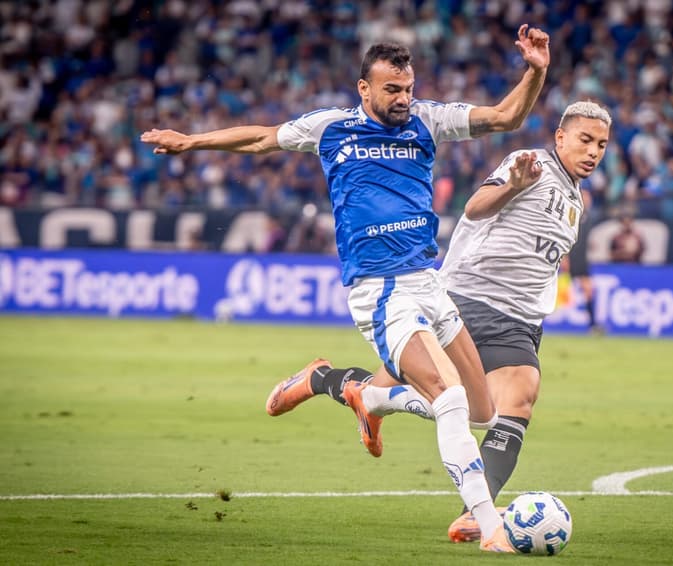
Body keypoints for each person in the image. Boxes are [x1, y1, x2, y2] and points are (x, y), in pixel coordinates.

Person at [142, 25, 550, 553]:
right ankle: (491, 529)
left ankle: (355, 389)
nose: (404, 99)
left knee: (481, 413)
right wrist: (193, 141)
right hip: (381, 290)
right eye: (392, 90)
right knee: (448, 400)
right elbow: (263, 137)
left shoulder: (428, 119)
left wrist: (535, 71)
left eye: (407, 88)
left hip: (429, 282)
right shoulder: (331, 128)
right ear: (364, 89)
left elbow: (504, 117)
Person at [266, 100, 612, 542]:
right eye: (585, 140)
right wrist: (513, 187)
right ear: (560, 137)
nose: (593, 151)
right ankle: (323, 379)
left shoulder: (574, 199)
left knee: (517, 398)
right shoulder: (531, 166)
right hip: (465, 299)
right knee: (390, 390)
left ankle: (475, 511)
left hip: (519, 321)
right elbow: (477, 206)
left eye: (600, 144)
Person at [563, 187, 601, 332]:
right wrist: (565, 257)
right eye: (585, 197)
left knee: (588, 291)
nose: (588, 200)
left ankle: (593, 325)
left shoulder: (588, 218)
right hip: (570, 259)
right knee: (556, 292)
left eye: (589, 198)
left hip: (581, 260)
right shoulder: (572, 215)